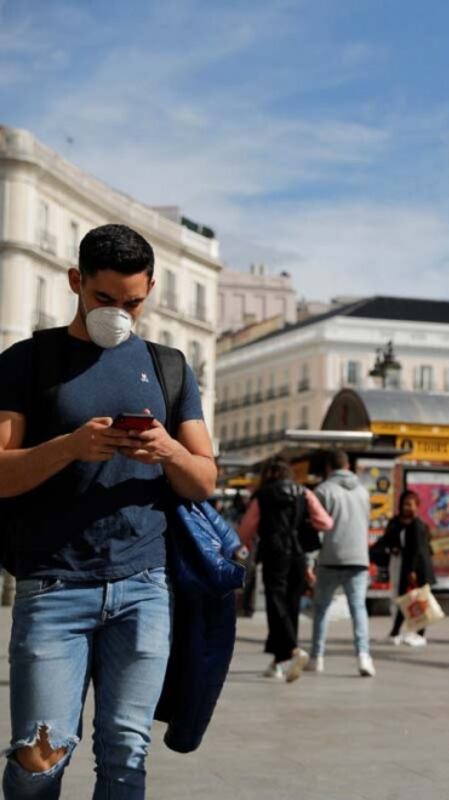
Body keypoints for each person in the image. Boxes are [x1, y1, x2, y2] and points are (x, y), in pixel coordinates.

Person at [0, 224, 215, 798]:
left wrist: (166, 448)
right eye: (104, 299)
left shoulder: (169, 365)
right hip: (53, 586)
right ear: (76, 281)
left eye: (134, 303)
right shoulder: (27, 361)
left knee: (126, 755)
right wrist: (70, 446)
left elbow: (205, 477)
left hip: (143, 586)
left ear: (149, 292)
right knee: (38, 755)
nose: (119, 313)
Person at [238, 457, 332, 681]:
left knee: (275, 602)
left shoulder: (262, 496)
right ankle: (279, 662)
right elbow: (326, 523)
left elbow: (245, 531)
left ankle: (292, 650)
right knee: (291, 605)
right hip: (298, 554)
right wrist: (304, 522)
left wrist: (242, 548)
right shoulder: (303, 493)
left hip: (274, 554)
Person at [307, 450, 375, 677]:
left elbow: (315, 530)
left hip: (330, 557)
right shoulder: (364, 492)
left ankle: (317, 657)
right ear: (348, 466)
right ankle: (364, 656)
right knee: (358, 608)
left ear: (328, 468)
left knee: (322, 609)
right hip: (358, 558)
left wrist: (309, 561)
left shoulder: (323, 490)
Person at [373, 489, 435, 647]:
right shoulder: (397, 523)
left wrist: (413, 570)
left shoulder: (417, 524)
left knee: (420, 601)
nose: (408, 507)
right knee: (403, 600)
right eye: (405, 504)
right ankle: (395, 633)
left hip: (416, 569)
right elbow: (387, 540)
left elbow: (419, 550)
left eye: (411, 504)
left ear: (417, 506)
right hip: (403, 566)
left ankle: (420, 635)